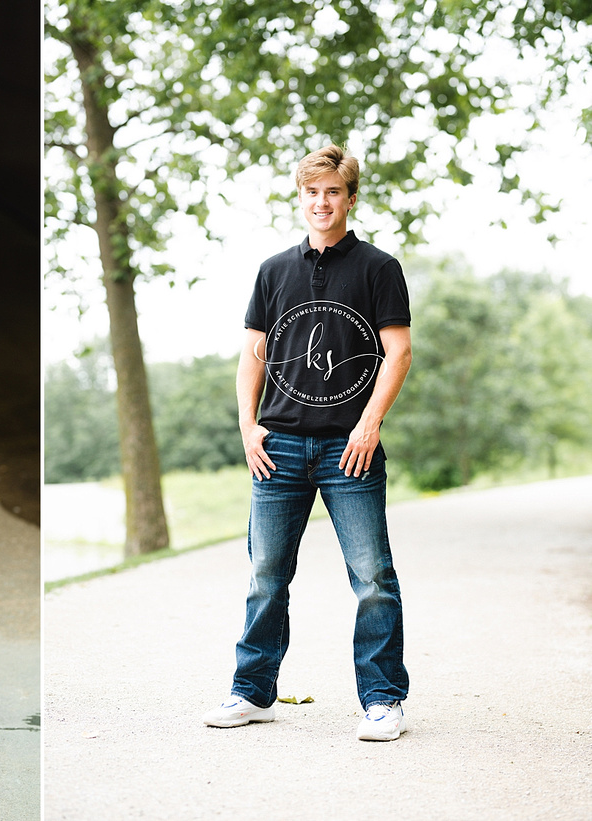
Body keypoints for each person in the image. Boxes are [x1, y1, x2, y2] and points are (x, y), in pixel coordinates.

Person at [202, 145, 413, 741]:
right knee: (265, 575)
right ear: (301, 198)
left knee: (372, 577)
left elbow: (398, 352)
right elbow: (252, 353)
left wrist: (368, 425)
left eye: (333, 193)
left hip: (352, 449)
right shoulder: (273, 271)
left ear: (350, 198)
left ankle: (382, 701)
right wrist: (248, 426)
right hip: (280, 448)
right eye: (312, 192)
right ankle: (252, 693)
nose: (322, 203)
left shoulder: (378, 268)